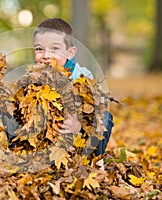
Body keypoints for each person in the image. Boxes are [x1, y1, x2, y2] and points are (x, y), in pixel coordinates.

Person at [33, 18, 114, 155]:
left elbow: (99, 105)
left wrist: (79, 124)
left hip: (78, 136)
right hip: (47, 138)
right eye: (40, 49)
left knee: (105, 117)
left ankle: (94, 159)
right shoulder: (32, 77)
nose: (46, 56)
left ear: (70, 52)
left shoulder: (82, 76)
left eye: (54, 49)